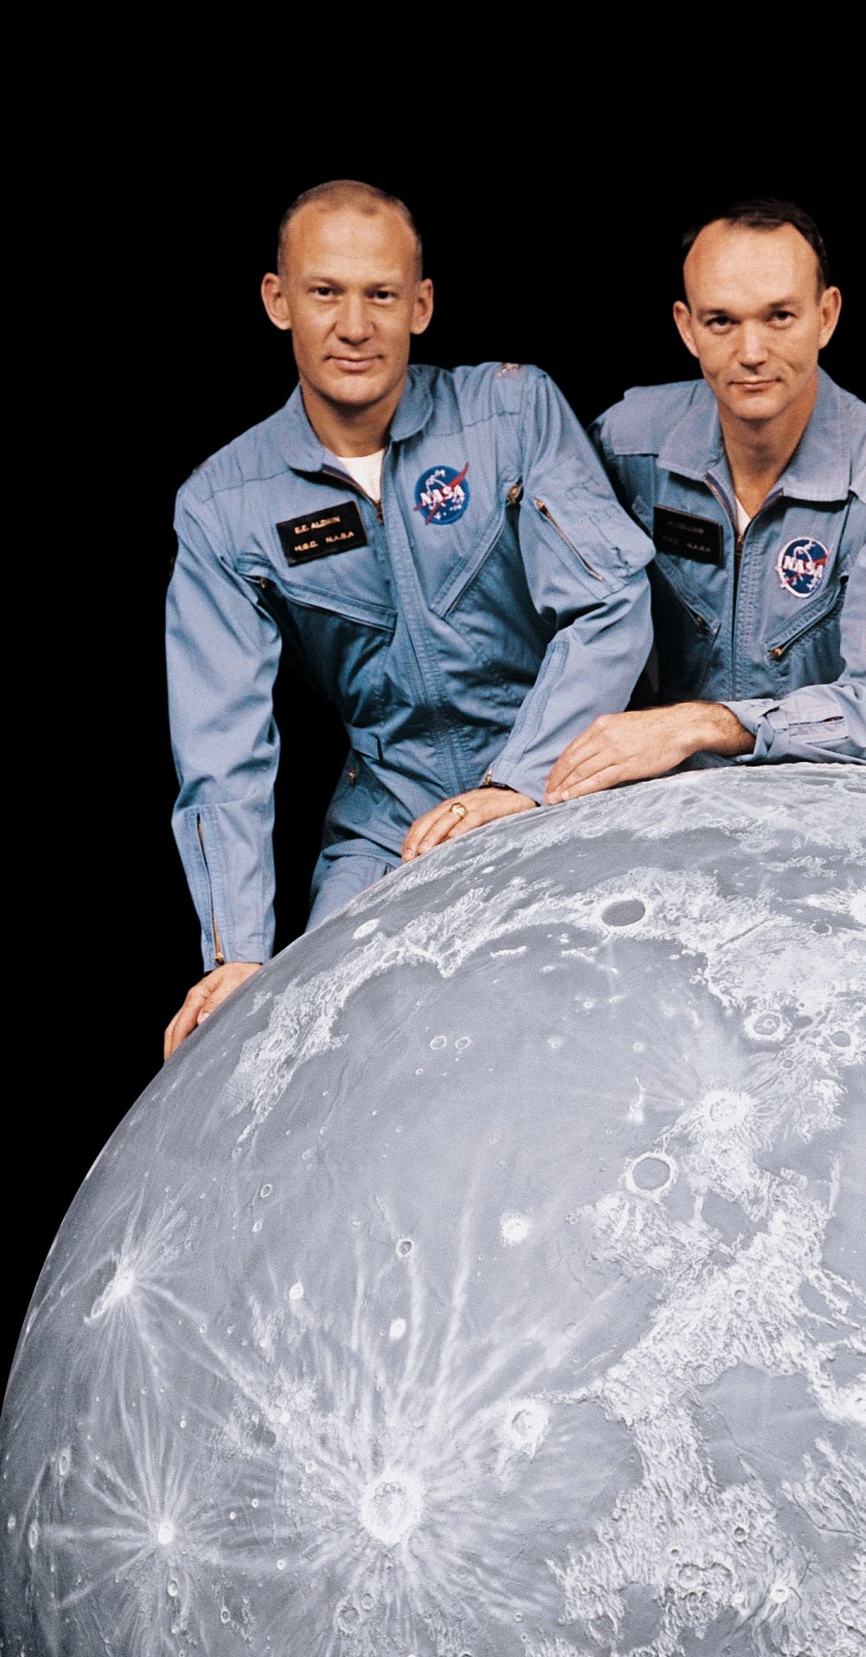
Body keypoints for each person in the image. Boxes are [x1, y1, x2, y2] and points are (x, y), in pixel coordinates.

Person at [163, 179, 654, 1056]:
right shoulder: (226, 506)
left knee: (609, 1019)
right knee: (325, 1033)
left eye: (381, 295)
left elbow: (609, 605)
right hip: (391, 807)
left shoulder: (511, 413)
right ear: (278, 301)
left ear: (420, 306)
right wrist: (238, 953)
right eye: (325, 292)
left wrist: (519, 784)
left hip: (561, 765)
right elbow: (220, 747)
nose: (354, 325)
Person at [544, 200, 866, 802]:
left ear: (827, 316)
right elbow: (556, 618)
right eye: (721, 321)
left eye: (779, 316)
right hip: (652, 808)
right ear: (686, 327)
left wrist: (698, 724)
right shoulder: (629, 446)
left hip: (817, 815)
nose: (752, 351)